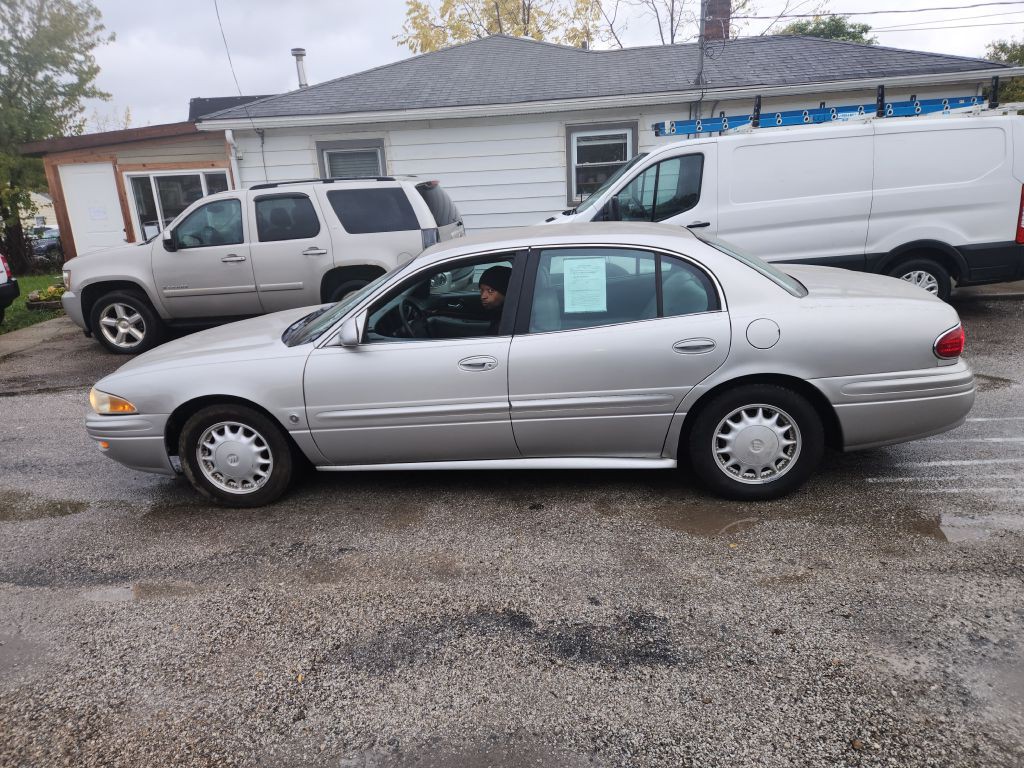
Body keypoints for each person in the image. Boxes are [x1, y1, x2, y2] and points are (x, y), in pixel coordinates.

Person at [478, 265, 512, 335]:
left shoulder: (507, 324)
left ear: (505, 291)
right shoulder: (498, 315)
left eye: (490, 290)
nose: (483, 296)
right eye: (481, 290)